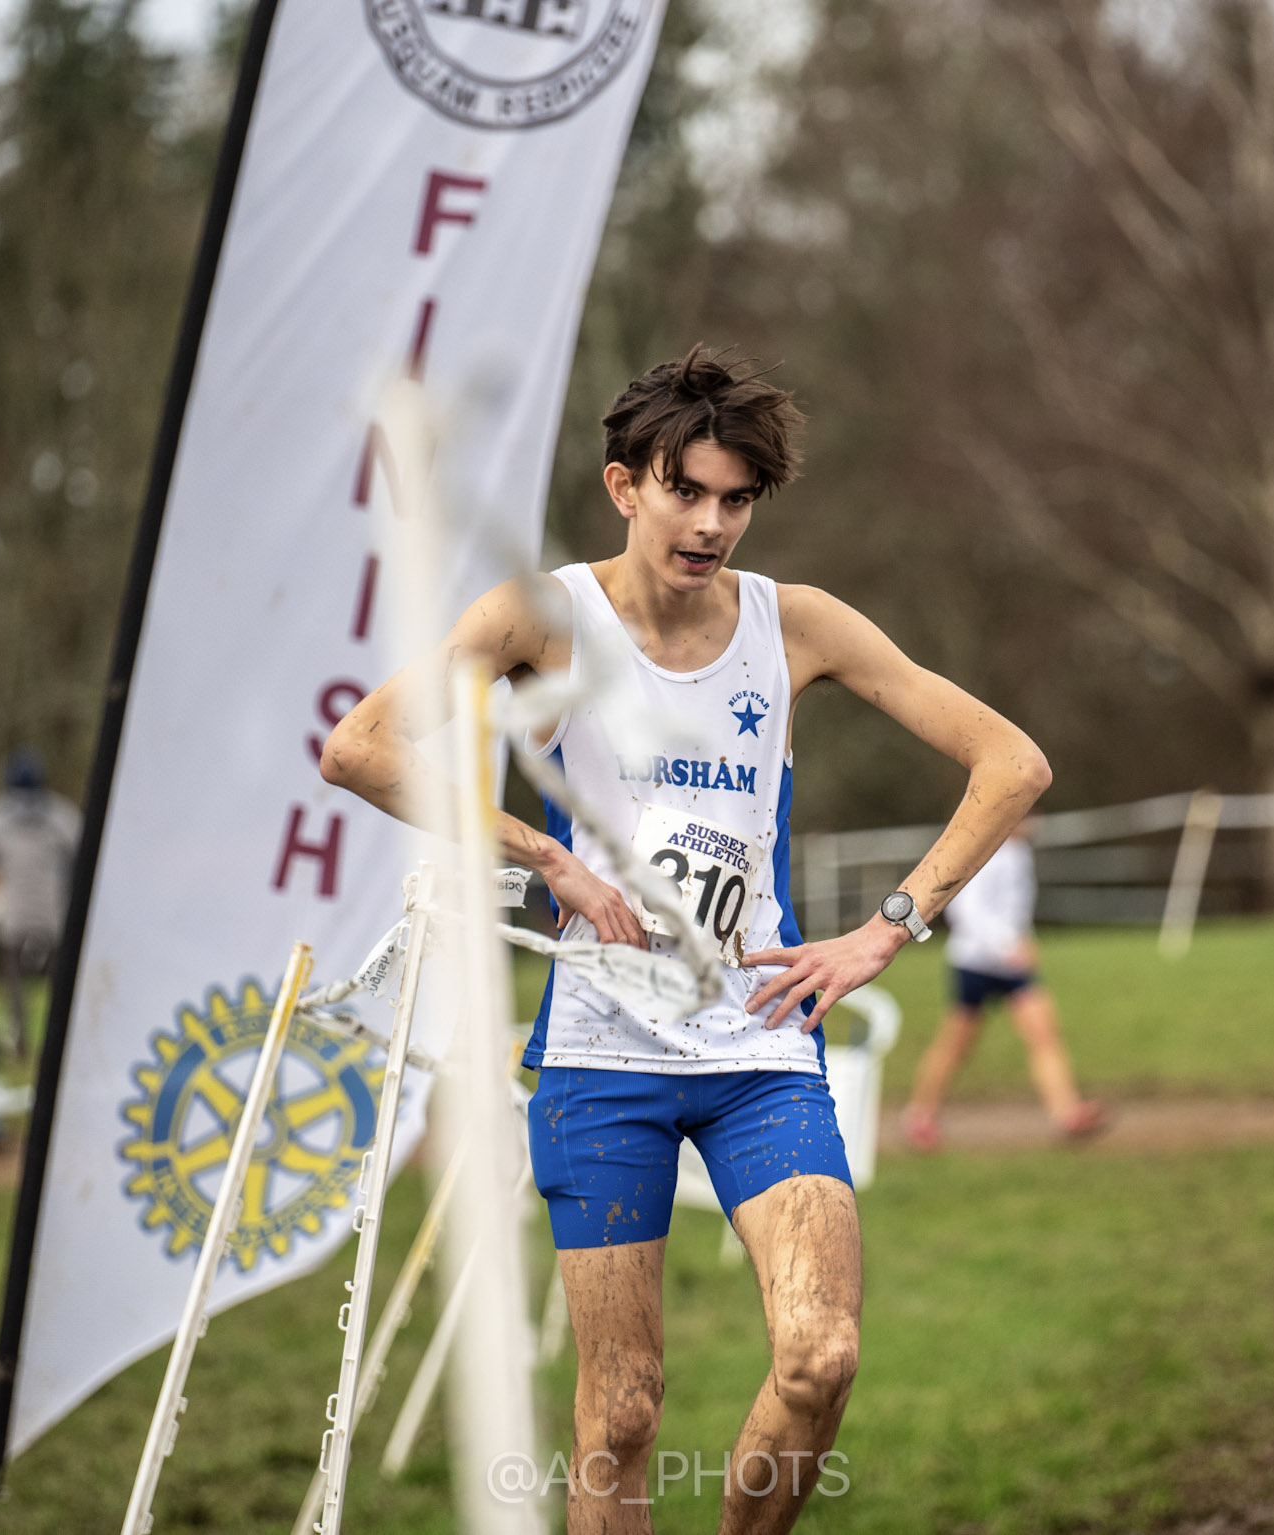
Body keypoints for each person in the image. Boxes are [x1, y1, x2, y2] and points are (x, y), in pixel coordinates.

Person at [321, 347, 1052, 1534]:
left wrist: (886, 928)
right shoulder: (541, 615)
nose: (711, 524)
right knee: (620, 1412)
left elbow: (1010, 763)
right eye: (686, 492)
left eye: (737, 499)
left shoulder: (794, 623)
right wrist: (545, 854)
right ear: (624, 486)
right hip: (601, 1054)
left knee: (819, 1355)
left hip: (757, 1045)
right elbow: (358, 747)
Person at [898, 820, 1104, 1150]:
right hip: (975, 961)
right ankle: (920, 1115)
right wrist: (1007, 946)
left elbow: (1012, 912)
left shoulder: (1019, 852)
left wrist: (1019, 944)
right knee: (956, 1045)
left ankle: (1067, 1114)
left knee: (1043, 1034)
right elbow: (967, 909)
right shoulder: (983, 850)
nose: (1034, 821)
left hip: (1011, 966)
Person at [0, 748, 81, 1059]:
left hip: (13, 919)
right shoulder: (63, 814)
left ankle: (21, 1045)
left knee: (15, 988)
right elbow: (84, 858)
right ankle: (64, 1045)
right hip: (55, 918)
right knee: (62, 986)